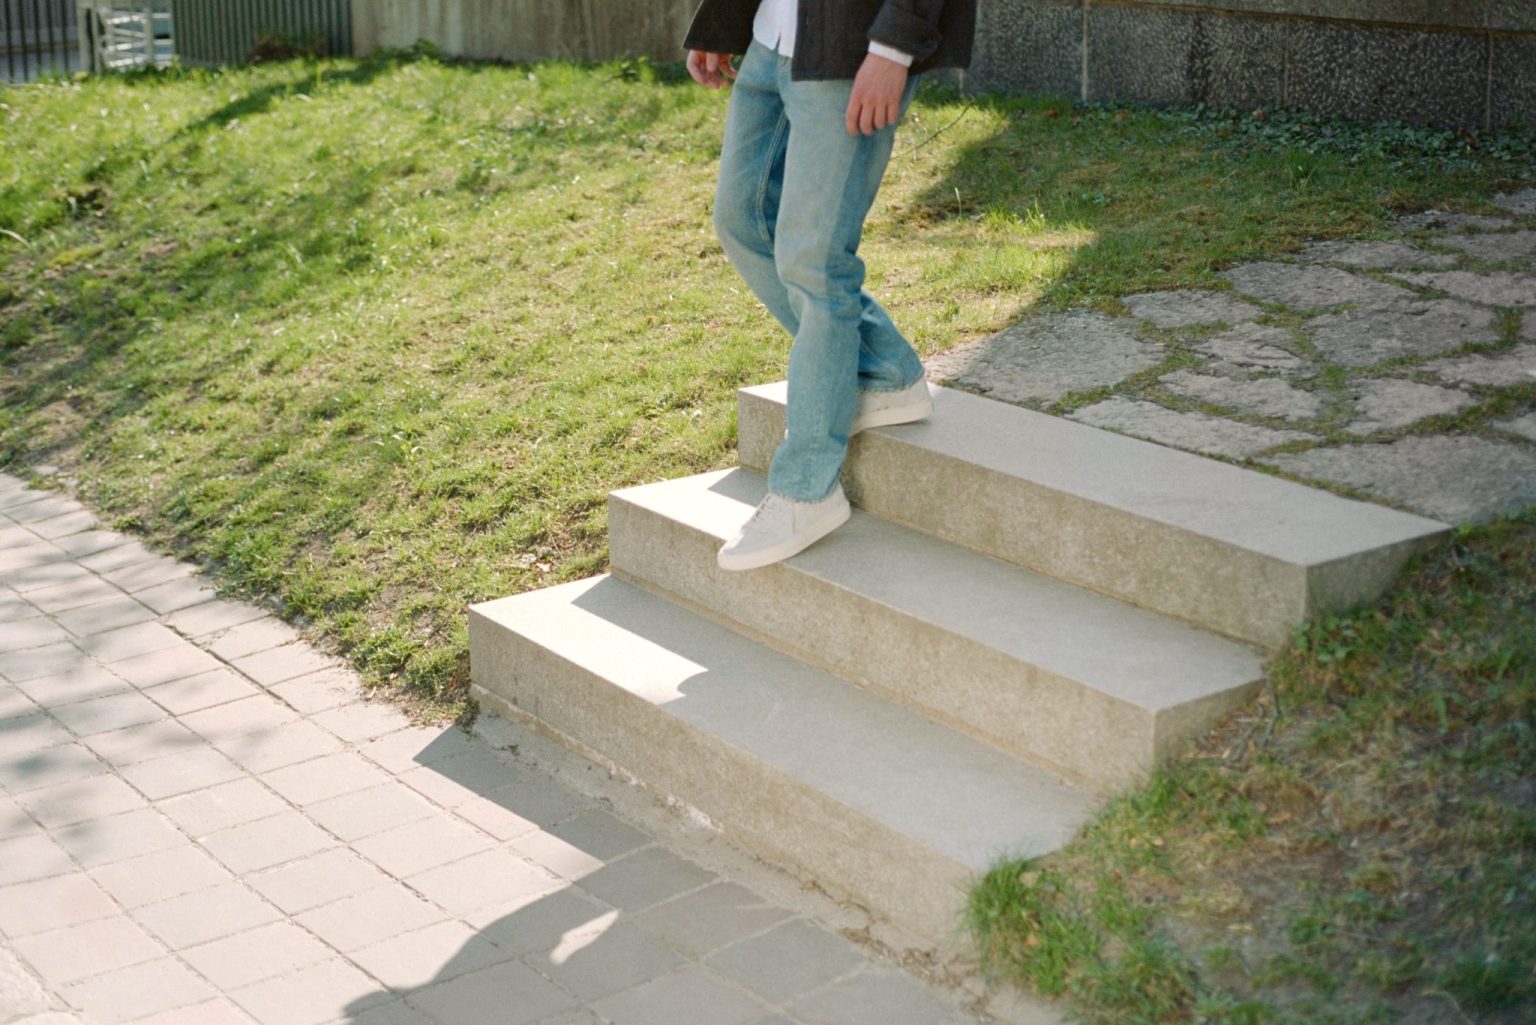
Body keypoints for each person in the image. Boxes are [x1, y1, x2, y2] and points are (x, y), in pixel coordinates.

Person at [684, 0, 977, 571]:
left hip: (851, 43)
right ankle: (888, 370)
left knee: (815, 262)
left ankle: (807, 488)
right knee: (743, 222)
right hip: (772, 38)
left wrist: (893, 48)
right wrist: (722, 21)